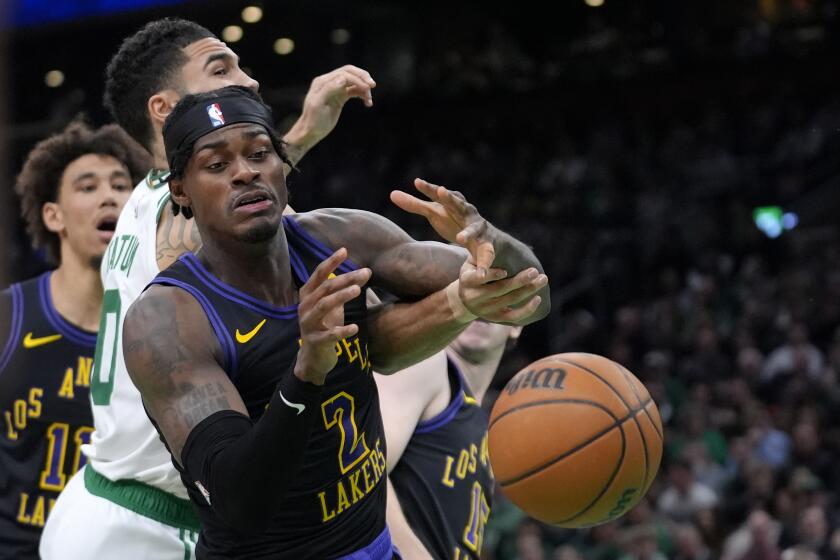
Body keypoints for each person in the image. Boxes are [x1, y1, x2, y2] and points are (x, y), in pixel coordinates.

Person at [41, 18, 549, 559]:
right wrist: (303, 130)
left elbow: (373, 338)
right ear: (166, 119)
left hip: (169, 499)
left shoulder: (162, 203)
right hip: (156, 524)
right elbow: (206, 235)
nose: (250, 81)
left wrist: (469, 286)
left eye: (261, 153)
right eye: (221, 68)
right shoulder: (171, 245)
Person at [0, 120, 149, 559]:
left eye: (122, 185)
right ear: (54, 215)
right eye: (87, 187)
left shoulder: (158, 321)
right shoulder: (11, 317)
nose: (109, 196)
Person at [377, 321, 521, 559]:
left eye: (499, 293)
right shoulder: (426, 364)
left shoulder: (482, 425)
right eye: (473, 288)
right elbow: (360, 467)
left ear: (516, 324)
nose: (482, 306)